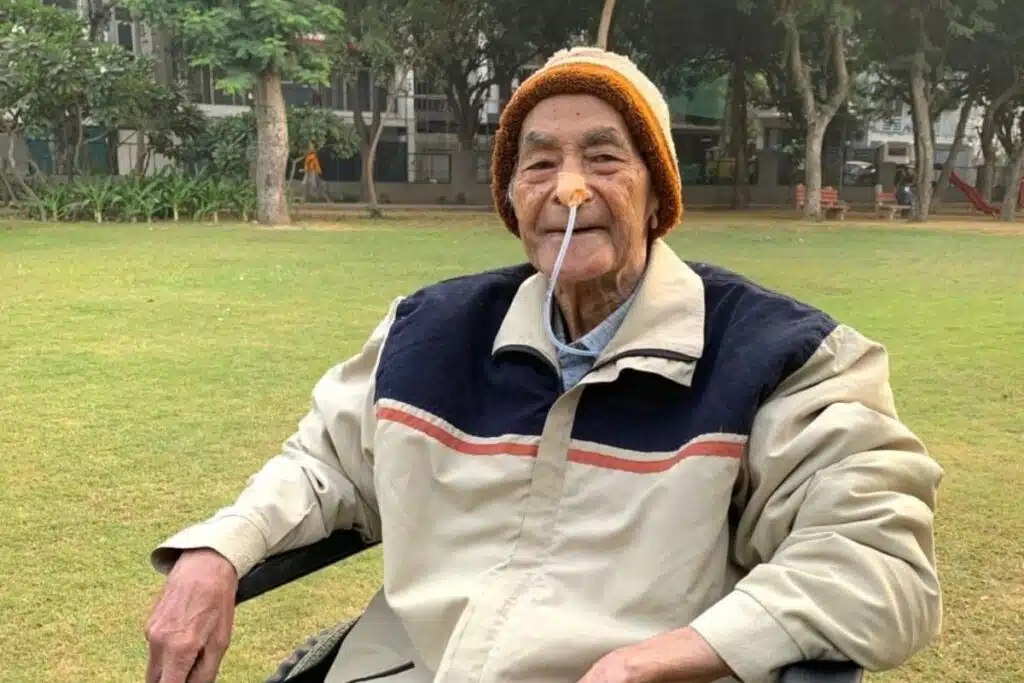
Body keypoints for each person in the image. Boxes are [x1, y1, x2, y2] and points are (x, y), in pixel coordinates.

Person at [145, 47, 943, 683]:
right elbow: (323, 464)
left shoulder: (781, 359)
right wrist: (219, 551)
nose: (568, 190)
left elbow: (879, 563)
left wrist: (662, 658)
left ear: (657, 195)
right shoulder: (428, 334)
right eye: (538, 164)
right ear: (512, 200)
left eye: (604, 157)